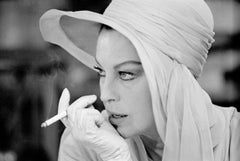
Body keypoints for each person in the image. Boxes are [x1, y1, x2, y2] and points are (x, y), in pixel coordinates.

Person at [39, 0, 240, 160]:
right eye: (101, 72)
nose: (105, 95)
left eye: (126, 74)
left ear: (175, 76)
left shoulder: (235, 140)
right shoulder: (85, 145)